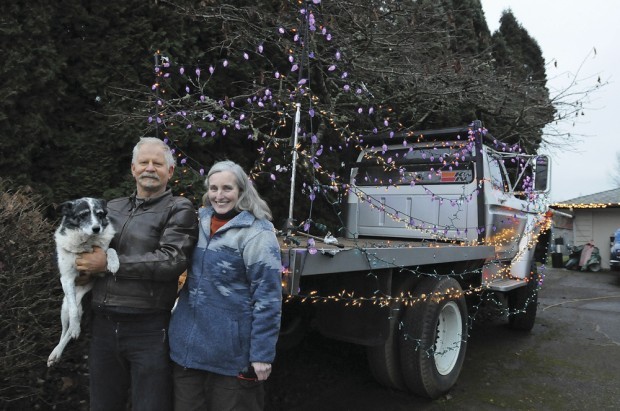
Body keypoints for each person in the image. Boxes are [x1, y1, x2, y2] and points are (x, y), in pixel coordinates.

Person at [75, 137, 199, 411]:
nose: (150, 168)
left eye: (158, 163)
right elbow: (85, 248)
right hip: (104, 327)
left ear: (170, 172)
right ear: (133, 168)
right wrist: (80, 271)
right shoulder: (111, 207)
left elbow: (171, 260)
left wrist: (108, 263)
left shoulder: (179, 209)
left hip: (149, 328)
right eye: (144, 162)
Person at [168, 160, 282, 411]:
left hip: (231, 355)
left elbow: (268, 298)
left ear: (241, 191)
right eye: (213, 188)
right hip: (188, 351)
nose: (219, 196)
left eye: (227, 188)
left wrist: (262, 354)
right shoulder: (196, 222)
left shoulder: (257, 233)